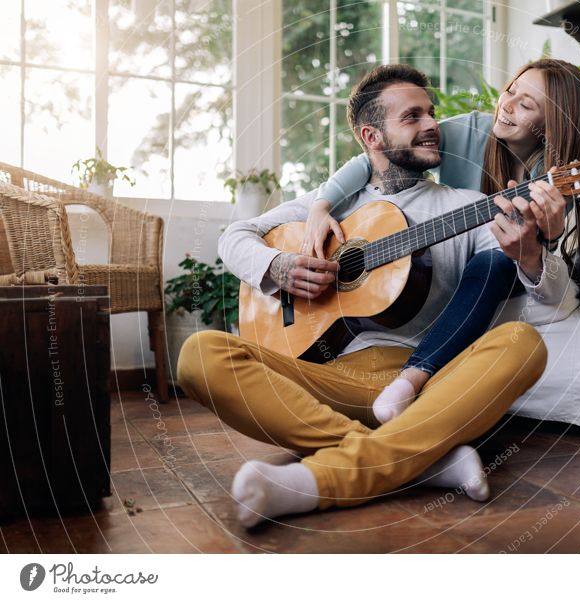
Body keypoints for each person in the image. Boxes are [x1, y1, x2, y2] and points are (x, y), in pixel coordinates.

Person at [177, 64, 548, 528]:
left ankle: (329, 477)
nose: (432, 125)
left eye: (430, 114)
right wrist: (279, 266)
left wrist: (529, 250)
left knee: (522, 343)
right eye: (412, 117)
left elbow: (512, 275)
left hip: (419, 386)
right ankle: (420, 460)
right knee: (200, 354)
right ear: (372, 137)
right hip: (321, 378)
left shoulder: (464, 207)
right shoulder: (330, 207)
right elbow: (235, 236)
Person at [302, 59, 580, 424]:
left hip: (502, 270)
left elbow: (558, 274)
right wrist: (320, 205)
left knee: (496, 261)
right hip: (449, 259)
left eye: (526, 104)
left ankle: (412, 377)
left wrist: (547, 238)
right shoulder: (470, 132)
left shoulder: (556, 183)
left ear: (554, 124)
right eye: (510, 91)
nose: (507, 104)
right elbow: (373, 158)